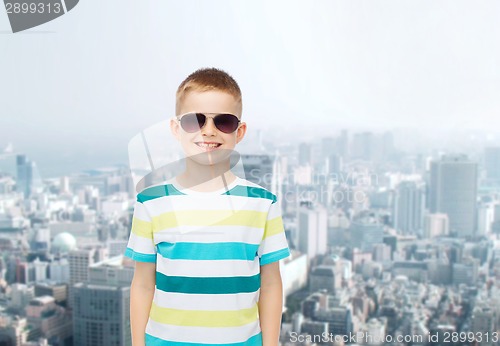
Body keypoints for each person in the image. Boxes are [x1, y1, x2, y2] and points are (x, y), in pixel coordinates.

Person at [125, 67, 291, 346]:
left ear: (240, 132)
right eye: (195, 121)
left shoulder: (263, 204)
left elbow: (271, 283)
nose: (209, 130)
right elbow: (142, 283)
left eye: (224, 122)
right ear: (176, 129)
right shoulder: (150, 202)